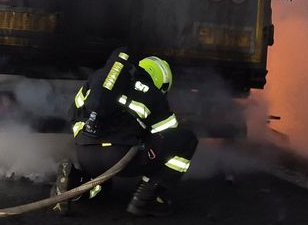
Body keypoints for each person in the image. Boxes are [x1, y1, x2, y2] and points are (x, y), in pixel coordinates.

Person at [51, 47, 198, 216]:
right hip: (121, 157)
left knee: (101, 189)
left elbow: (73, 113)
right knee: (187, 139)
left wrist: (85, 138)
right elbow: (168, 133)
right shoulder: (153, 93)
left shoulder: (101, 80)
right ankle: (145, 199)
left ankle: (72, 181)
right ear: (160, 79)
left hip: (86, 155)